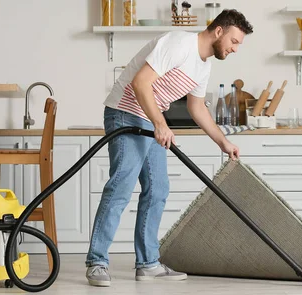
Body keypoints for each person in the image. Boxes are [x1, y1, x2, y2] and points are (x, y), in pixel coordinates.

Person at [84, 9, 253, 286]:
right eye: (234, 41)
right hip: (125, 113)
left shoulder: (203, 65)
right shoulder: (179, 43)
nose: (235, 49)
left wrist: (223, 142)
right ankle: (97, 261)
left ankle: (148, 263)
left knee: (158, 188)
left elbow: (196, 107)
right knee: (121, 187)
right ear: (219, 31)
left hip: (150, 119)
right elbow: (141, 83)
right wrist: (160, 123)